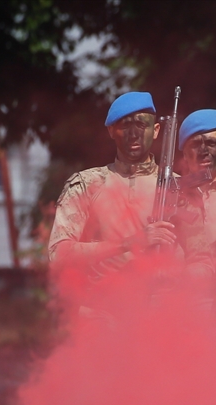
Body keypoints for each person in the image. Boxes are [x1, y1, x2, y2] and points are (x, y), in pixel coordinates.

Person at [48, 92, 177, 281]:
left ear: (156, 130)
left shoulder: (179, 187)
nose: (133, 134)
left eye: (141, 124)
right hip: (99, 305)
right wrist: (128, 243)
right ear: (111, 131)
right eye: (125, 125)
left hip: (162, 305)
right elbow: (58, 254)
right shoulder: (87, 184)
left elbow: (201, 258)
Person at [171, 108, 216, 309]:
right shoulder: (169, 198)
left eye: (211, 143)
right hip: (179, 309)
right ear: (184, 154)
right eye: (195, 144)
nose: (203, 150)